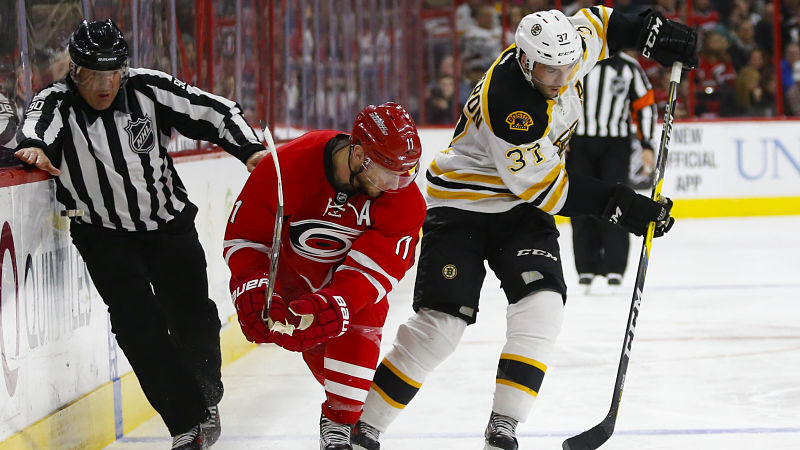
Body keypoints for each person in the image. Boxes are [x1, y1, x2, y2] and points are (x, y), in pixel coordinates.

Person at [351, 7, 696, 450]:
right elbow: (548, 192)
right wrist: (625, 207)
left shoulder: (565, 50)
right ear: (526, 60)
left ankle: (504, 426)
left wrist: (653, 32)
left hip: (519, 211)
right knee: (441, 326)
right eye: (549, 69)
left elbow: (602, 22)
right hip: (463, 207)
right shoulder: (514, 105)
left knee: (544, 305)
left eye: (567, 66)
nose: (560, 76)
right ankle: (364, 426)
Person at [14, 19, 267, 450]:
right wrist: (34, 148)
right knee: (137, 327)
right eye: (94, 73)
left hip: (168, 224)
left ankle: (206, 396)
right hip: (103, 235)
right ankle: (185, 423)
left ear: (124, 70)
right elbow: (37, 130)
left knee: (194, 317)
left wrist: (252, 150)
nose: (105, 83)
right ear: (75, 72)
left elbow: (216, 112)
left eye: (113, 73)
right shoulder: (56, 102)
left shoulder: (149, 88)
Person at [223, 102, 426, 450]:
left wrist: (338, 303)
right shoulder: (286, 167)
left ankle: (341, 422)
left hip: (350, 291)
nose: (395, 185)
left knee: (361, 325)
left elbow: (373, 270)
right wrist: (251, 284)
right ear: (358, 153)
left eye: (405, 175)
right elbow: (246, 237)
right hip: (291, 281)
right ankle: (346, 414)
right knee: (319, 351)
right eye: (386, 172)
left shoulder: (404, 201)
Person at [567, 50, 658, 291]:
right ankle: (586, 265)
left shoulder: (629, 67)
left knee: (618, 201)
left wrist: (647, 143)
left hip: (615, 144)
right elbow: (557, 100)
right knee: (579, 201)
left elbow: (644, 105)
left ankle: (615, 267)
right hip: (578, 144)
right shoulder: (574, 60)